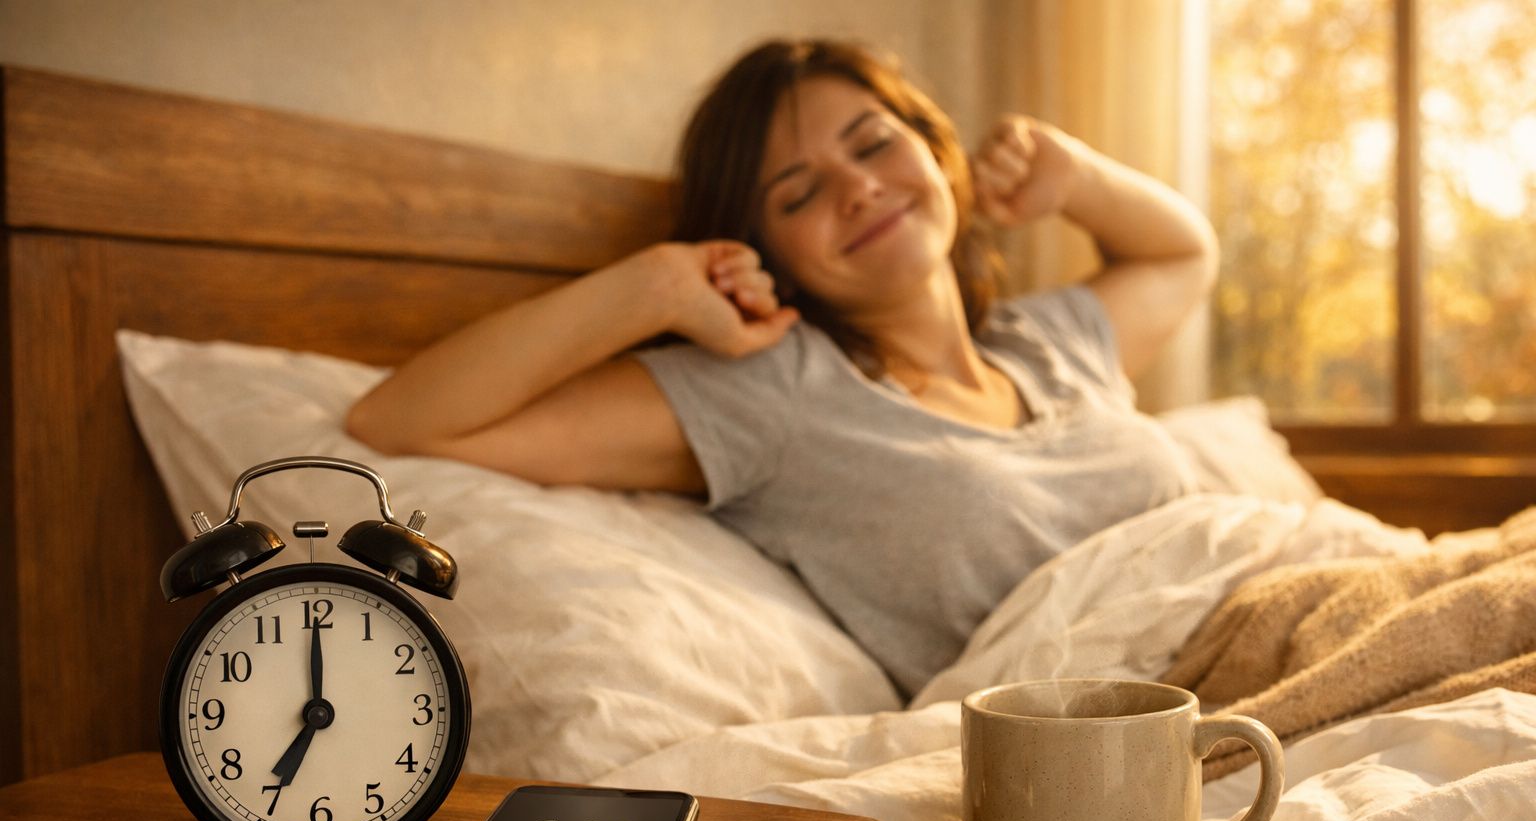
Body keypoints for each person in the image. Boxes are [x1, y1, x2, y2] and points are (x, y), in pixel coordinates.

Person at [346, 38, 1219, 697]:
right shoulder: (774, 393)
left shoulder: (1048, 343)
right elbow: (403, 421)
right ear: (768, 250)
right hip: (1139, 725)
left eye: (874, 144)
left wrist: (1077, 181)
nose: (858, 188)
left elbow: (1183, 255)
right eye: (798, 194)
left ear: (932, 149)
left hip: (1261, 611)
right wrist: (655, 286)